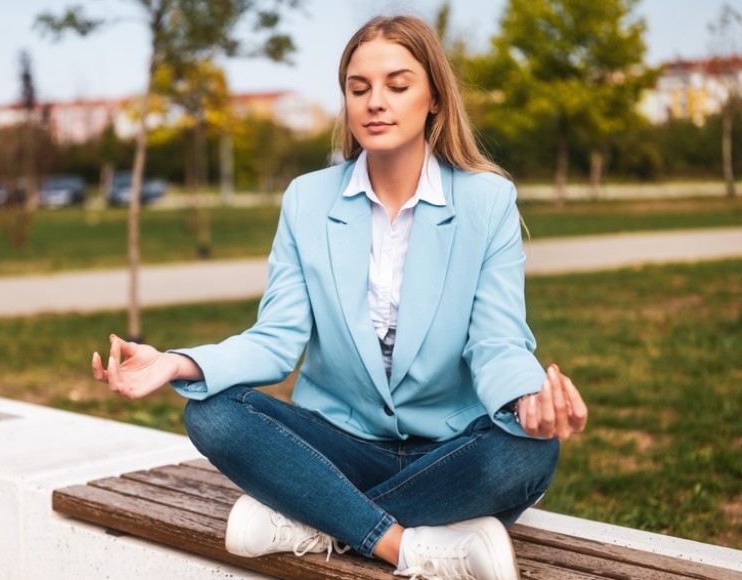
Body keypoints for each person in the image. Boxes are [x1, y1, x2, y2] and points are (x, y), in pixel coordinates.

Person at [91, 13, 588, 580]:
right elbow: (276, 340)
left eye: (397, 85)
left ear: (434, 100)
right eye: (359, 88)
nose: (376, 101)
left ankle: (310, 518)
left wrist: (527, 401)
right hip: (338, 445)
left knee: (529, 452)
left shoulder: (488, 201)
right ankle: (407, 545)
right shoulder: (307, 200)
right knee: (214, 414)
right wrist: (178, 360)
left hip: (447, 449)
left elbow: (496, 340)